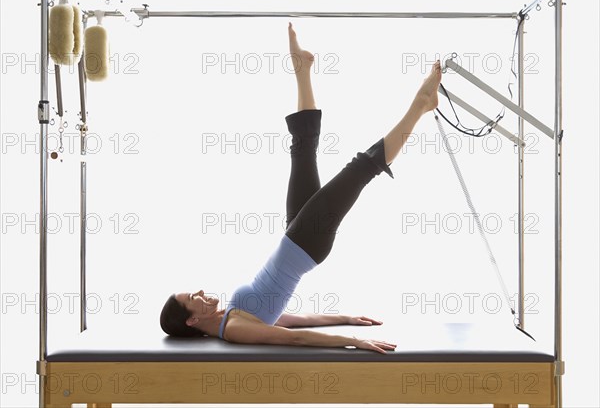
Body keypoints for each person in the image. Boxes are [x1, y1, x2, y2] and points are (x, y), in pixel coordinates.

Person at [160, 23, 442, 354]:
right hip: (307, 242)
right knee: (360, 169)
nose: (200, 292)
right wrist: (354, 341)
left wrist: (345, 317)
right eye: (193, 299)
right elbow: (293, 338)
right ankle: (421, 104)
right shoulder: (235, 329)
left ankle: (302, 69)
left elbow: (288, 320)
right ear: (192, 321)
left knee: (303, 148)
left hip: (294, 234)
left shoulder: (228, 315)